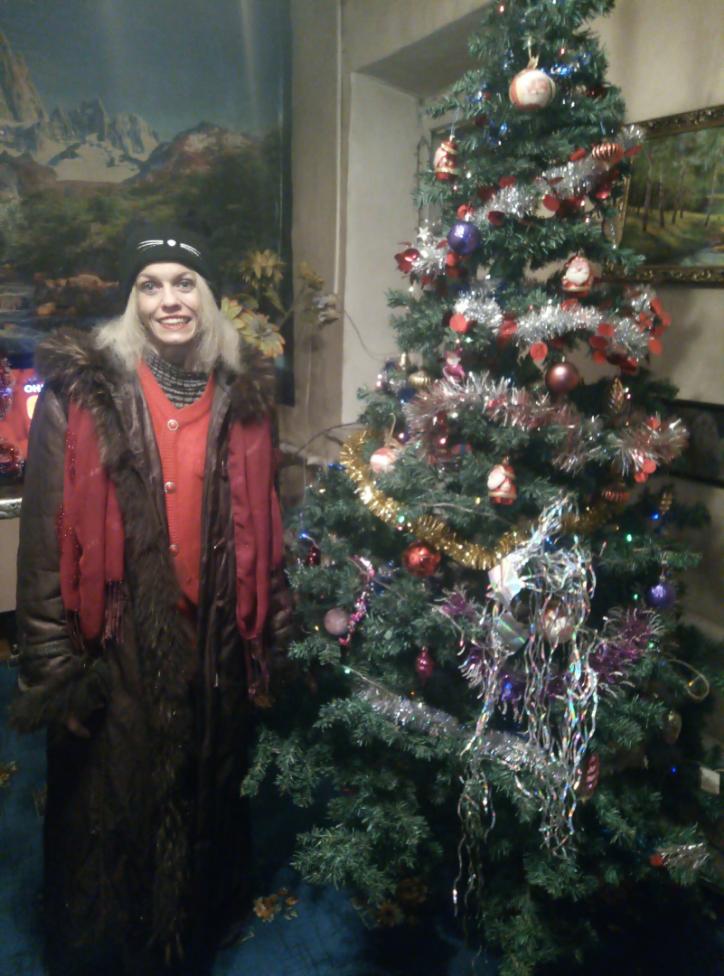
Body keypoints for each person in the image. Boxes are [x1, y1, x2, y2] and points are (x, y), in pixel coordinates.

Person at [10, 224, 292, 975]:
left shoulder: (244, 397)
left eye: (184, 283)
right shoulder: (81, 396)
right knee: (112, 799)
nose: (170, 300)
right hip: (116, 642)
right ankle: (110, 944)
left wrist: (272, 634)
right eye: (150, 285)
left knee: (205, 784)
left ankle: (195, 927)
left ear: (209, 297)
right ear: (131, 301)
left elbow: (266, 528)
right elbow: (42, 545)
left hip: (213, 636)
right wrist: (54, 668)